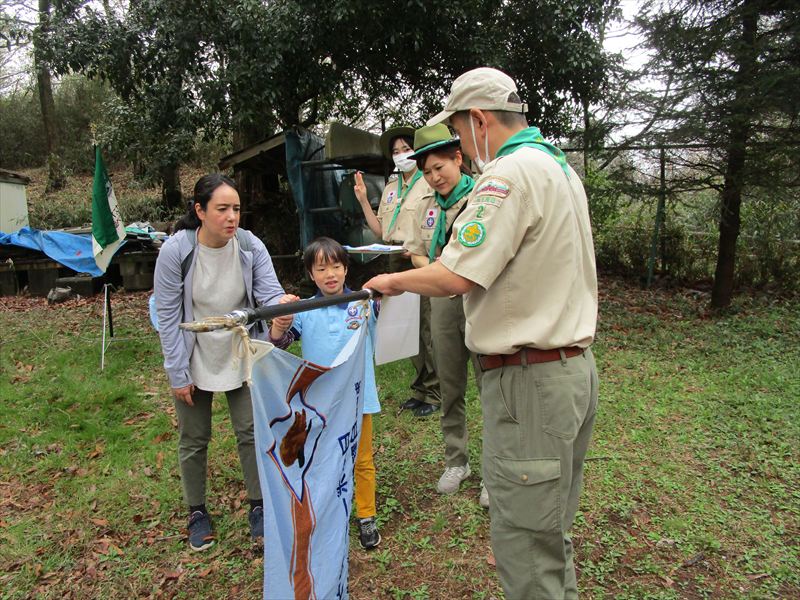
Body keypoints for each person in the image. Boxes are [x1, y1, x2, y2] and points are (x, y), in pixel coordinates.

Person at [364, 67, 599, 599]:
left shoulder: (508, 176)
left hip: (529, 384)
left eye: (458, 135)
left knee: (524, 543)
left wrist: (392, 279)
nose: (459, 148)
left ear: (478, 120)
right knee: (550, 531)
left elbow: (456, 273)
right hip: (572, 373)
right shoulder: (560, 169)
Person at [154, 173, 288, 552]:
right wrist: (177, 373)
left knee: (251, 432)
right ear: (200, 211)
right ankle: (197, 511)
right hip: (194, 351)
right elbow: (167, 316)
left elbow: (270, 293)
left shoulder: (248, 245)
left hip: (240, 350)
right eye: (222, 209)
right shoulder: (176, 251)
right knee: (194, 437)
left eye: (237, 209)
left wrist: (283, 310)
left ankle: (258, 506)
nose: (232, 217)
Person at [268, 237, 383, 550]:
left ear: (346, 268)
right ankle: (327, 514)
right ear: (311, 274)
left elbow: (390, 324)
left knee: (362, 458)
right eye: (321, 268)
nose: (330, 274)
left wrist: (385, 298)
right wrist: (280, 323)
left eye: (336, 266)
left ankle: (366, 515)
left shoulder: (364, 304)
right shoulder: (306, 311)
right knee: (322, 459)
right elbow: (278, 344)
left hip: (360, 398)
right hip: (319, 404)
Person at [402, 124, 486, 504]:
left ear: (458, 158)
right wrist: (434, 264)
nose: (435, 177)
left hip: (480, 297)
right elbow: (416, 251)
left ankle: (496, 472)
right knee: (450, 384)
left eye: (440, 167)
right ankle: (457, 459)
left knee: (491, 386)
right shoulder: (425, 206)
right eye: (428, 171)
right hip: (441, 299)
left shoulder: (484, 197)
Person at [354, 126, 440, 417]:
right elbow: (380, 231)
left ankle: (435, 392)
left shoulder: (428, 182)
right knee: (407, 325)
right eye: (396, 151)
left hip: (418, 257)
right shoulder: (391, 188)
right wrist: (364, 199)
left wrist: (422, 250)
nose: (402, 155)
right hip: (393, 257)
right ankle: (420, 389)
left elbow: (435, 222)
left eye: (406, 149)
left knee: (426, 324)